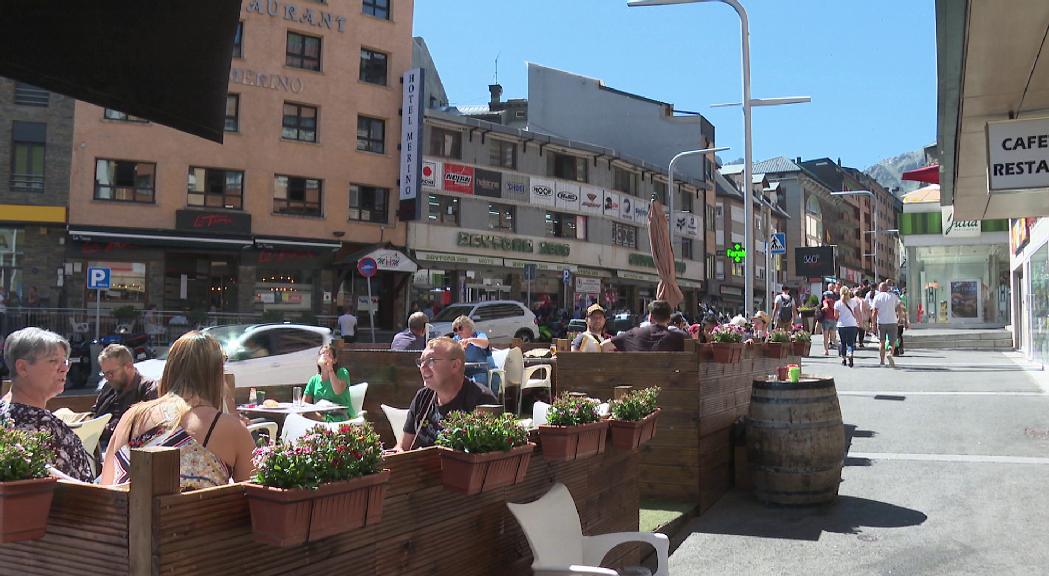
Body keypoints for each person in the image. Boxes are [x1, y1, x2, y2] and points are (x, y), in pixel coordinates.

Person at [100, 331, 255, 490]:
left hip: (125, 513)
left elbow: (106, 487)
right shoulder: (230, 428)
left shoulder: (132, 417)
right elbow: (256, 500)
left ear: (169, 369)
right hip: (192, 514)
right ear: (217, 376)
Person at [0, 328, 94, 482]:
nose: (64, 369)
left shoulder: (9, 412)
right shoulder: (37, 424)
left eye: (65, 361)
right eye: (53, 361)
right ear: (22, 368)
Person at [397, 337, 499, 451]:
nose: (423, 367)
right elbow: (403, 446)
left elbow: (484, 459)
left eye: (431, 360)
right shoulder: (422, 397)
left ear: (455, 365)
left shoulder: (481, 400)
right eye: (421, 361)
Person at [92, 344, 158, 447]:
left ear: (129, 366)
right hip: (100, 447)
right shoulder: (108, 387)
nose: (108, 378)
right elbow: (95, 413)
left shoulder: (148, 389)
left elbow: (145, 427)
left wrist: (103, 428)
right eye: (105, 374)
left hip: (130, 452)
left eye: (111, 373)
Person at [602, 300, 685, 352]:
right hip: (668, 379)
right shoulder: (680, 337)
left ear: (650, 317)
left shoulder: (634, 333)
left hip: (635, 379)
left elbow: (604, 345)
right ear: (669, 319)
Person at [303, 344, 355, 422]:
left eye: (328, 355)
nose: (324, 356)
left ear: (334, 360)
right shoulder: (314, 380)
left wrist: (330, 369)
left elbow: (338, 391)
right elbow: (304, 404)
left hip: (341, 415)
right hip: (320, 414)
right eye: (322, 354)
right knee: (302, 415)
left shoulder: (342, 372)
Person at [452, 315, 491, 387]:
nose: (458, 332)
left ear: (469, 327)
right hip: (462, 371)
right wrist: (459, 348)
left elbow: (485, 344)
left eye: (460, 328)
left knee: (477, 386)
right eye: (455, 329)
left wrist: (470, 340)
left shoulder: (479, 335)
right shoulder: (456, 339)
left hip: (479, 370)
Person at [871, 282, 900, 368]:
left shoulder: (877, 297)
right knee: (892, 341)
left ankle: (882, 361)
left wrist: (873, 323)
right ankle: (890, 352)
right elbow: (899, 307)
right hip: (892, 321)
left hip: (881, 322)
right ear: (887, 288)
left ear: (880, 289)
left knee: (882, 342)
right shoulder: (893, 296)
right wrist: (900, 318)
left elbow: (874, 312)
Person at [835, 286, 861, 368]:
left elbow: (835, 316)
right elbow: (857, 313)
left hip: (841, 325)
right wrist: (860, 321)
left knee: (843, 342)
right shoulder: (853, 302)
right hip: (852, 325)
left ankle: (843, 359)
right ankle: (850, 353)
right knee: (850, 342)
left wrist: (840, 315)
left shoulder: (837, 303)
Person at [820, 288, 839, 356]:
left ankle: (826, 351)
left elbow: (826, 307)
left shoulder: (825, 301)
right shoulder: (835, 302)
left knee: (825, 337)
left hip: (826, 320)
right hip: (833, 320)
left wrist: (821, 309)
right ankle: (840, 347)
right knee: (833, 338)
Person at [894, 290, 910, 356]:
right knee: (899, 336)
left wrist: (906, 322)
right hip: (900, 322)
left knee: (895, 336)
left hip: (895, 322)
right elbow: (906, 314)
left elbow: (905, 314)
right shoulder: (901, 304)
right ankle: (900, 348)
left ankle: (896, 349)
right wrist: (906, 323)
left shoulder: (893, 303)